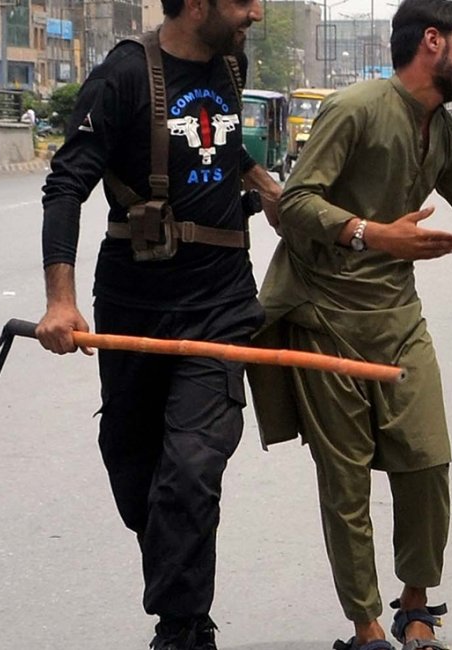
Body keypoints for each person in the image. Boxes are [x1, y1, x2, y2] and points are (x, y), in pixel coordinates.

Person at [247, 2, 452, 649]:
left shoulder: (447, 136)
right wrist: (369, 233)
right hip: (325, 318)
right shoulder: (356, 108)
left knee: (428, 461)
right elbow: (294, 202)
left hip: (398, 322)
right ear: (433, 42)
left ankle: (415, 605)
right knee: (344, 482)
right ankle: (367, 625)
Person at [34, 0, 282, 646]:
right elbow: (66, 185)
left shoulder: (231, 61)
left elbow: (220, 150)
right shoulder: (123, 76)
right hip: (135, 307)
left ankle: (183, 628)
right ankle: (180, 592)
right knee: (135, 470)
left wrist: (264, 188)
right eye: (241, 1)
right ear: (196, 4)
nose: (254, 11)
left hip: (221, 306)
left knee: (192, 469)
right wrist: (60, 301)